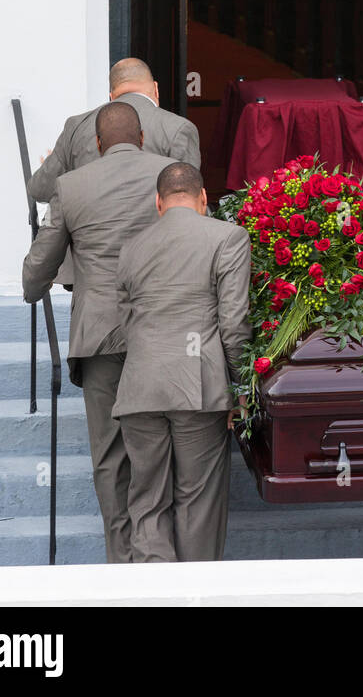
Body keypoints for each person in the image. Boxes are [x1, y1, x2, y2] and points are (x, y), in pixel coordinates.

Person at [22, 102, 174, 563]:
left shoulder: (71, 186)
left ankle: (120, 560)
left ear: (96, 144)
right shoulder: (172, 174)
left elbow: (36, 275)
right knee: (160, 445)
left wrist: (35, 280)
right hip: (163, 331)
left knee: (110, 456)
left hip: (100, 333)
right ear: (143, 138)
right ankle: (162, 558)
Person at [113, 163, 251, 563]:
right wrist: (240, 388)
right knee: (198, 503)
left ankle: (155, 592)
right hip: (199, 387)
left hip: (140, 386)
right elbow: (234, 323)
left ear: (158, 203)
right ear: (204, 198)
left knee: (147, 500)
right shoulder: (228, 237)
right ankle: (195, 595)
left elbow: (127, 324)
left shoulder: (131, 247)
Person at [27, 56, 200, 204]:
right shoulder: (179, 128)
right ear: (155, 88)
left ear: (111, 96)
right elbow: (188, 201)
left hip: (89, 240)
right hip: (156, 241)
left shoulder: (76, 126)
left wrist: (55, 165)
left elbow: (40, 189)